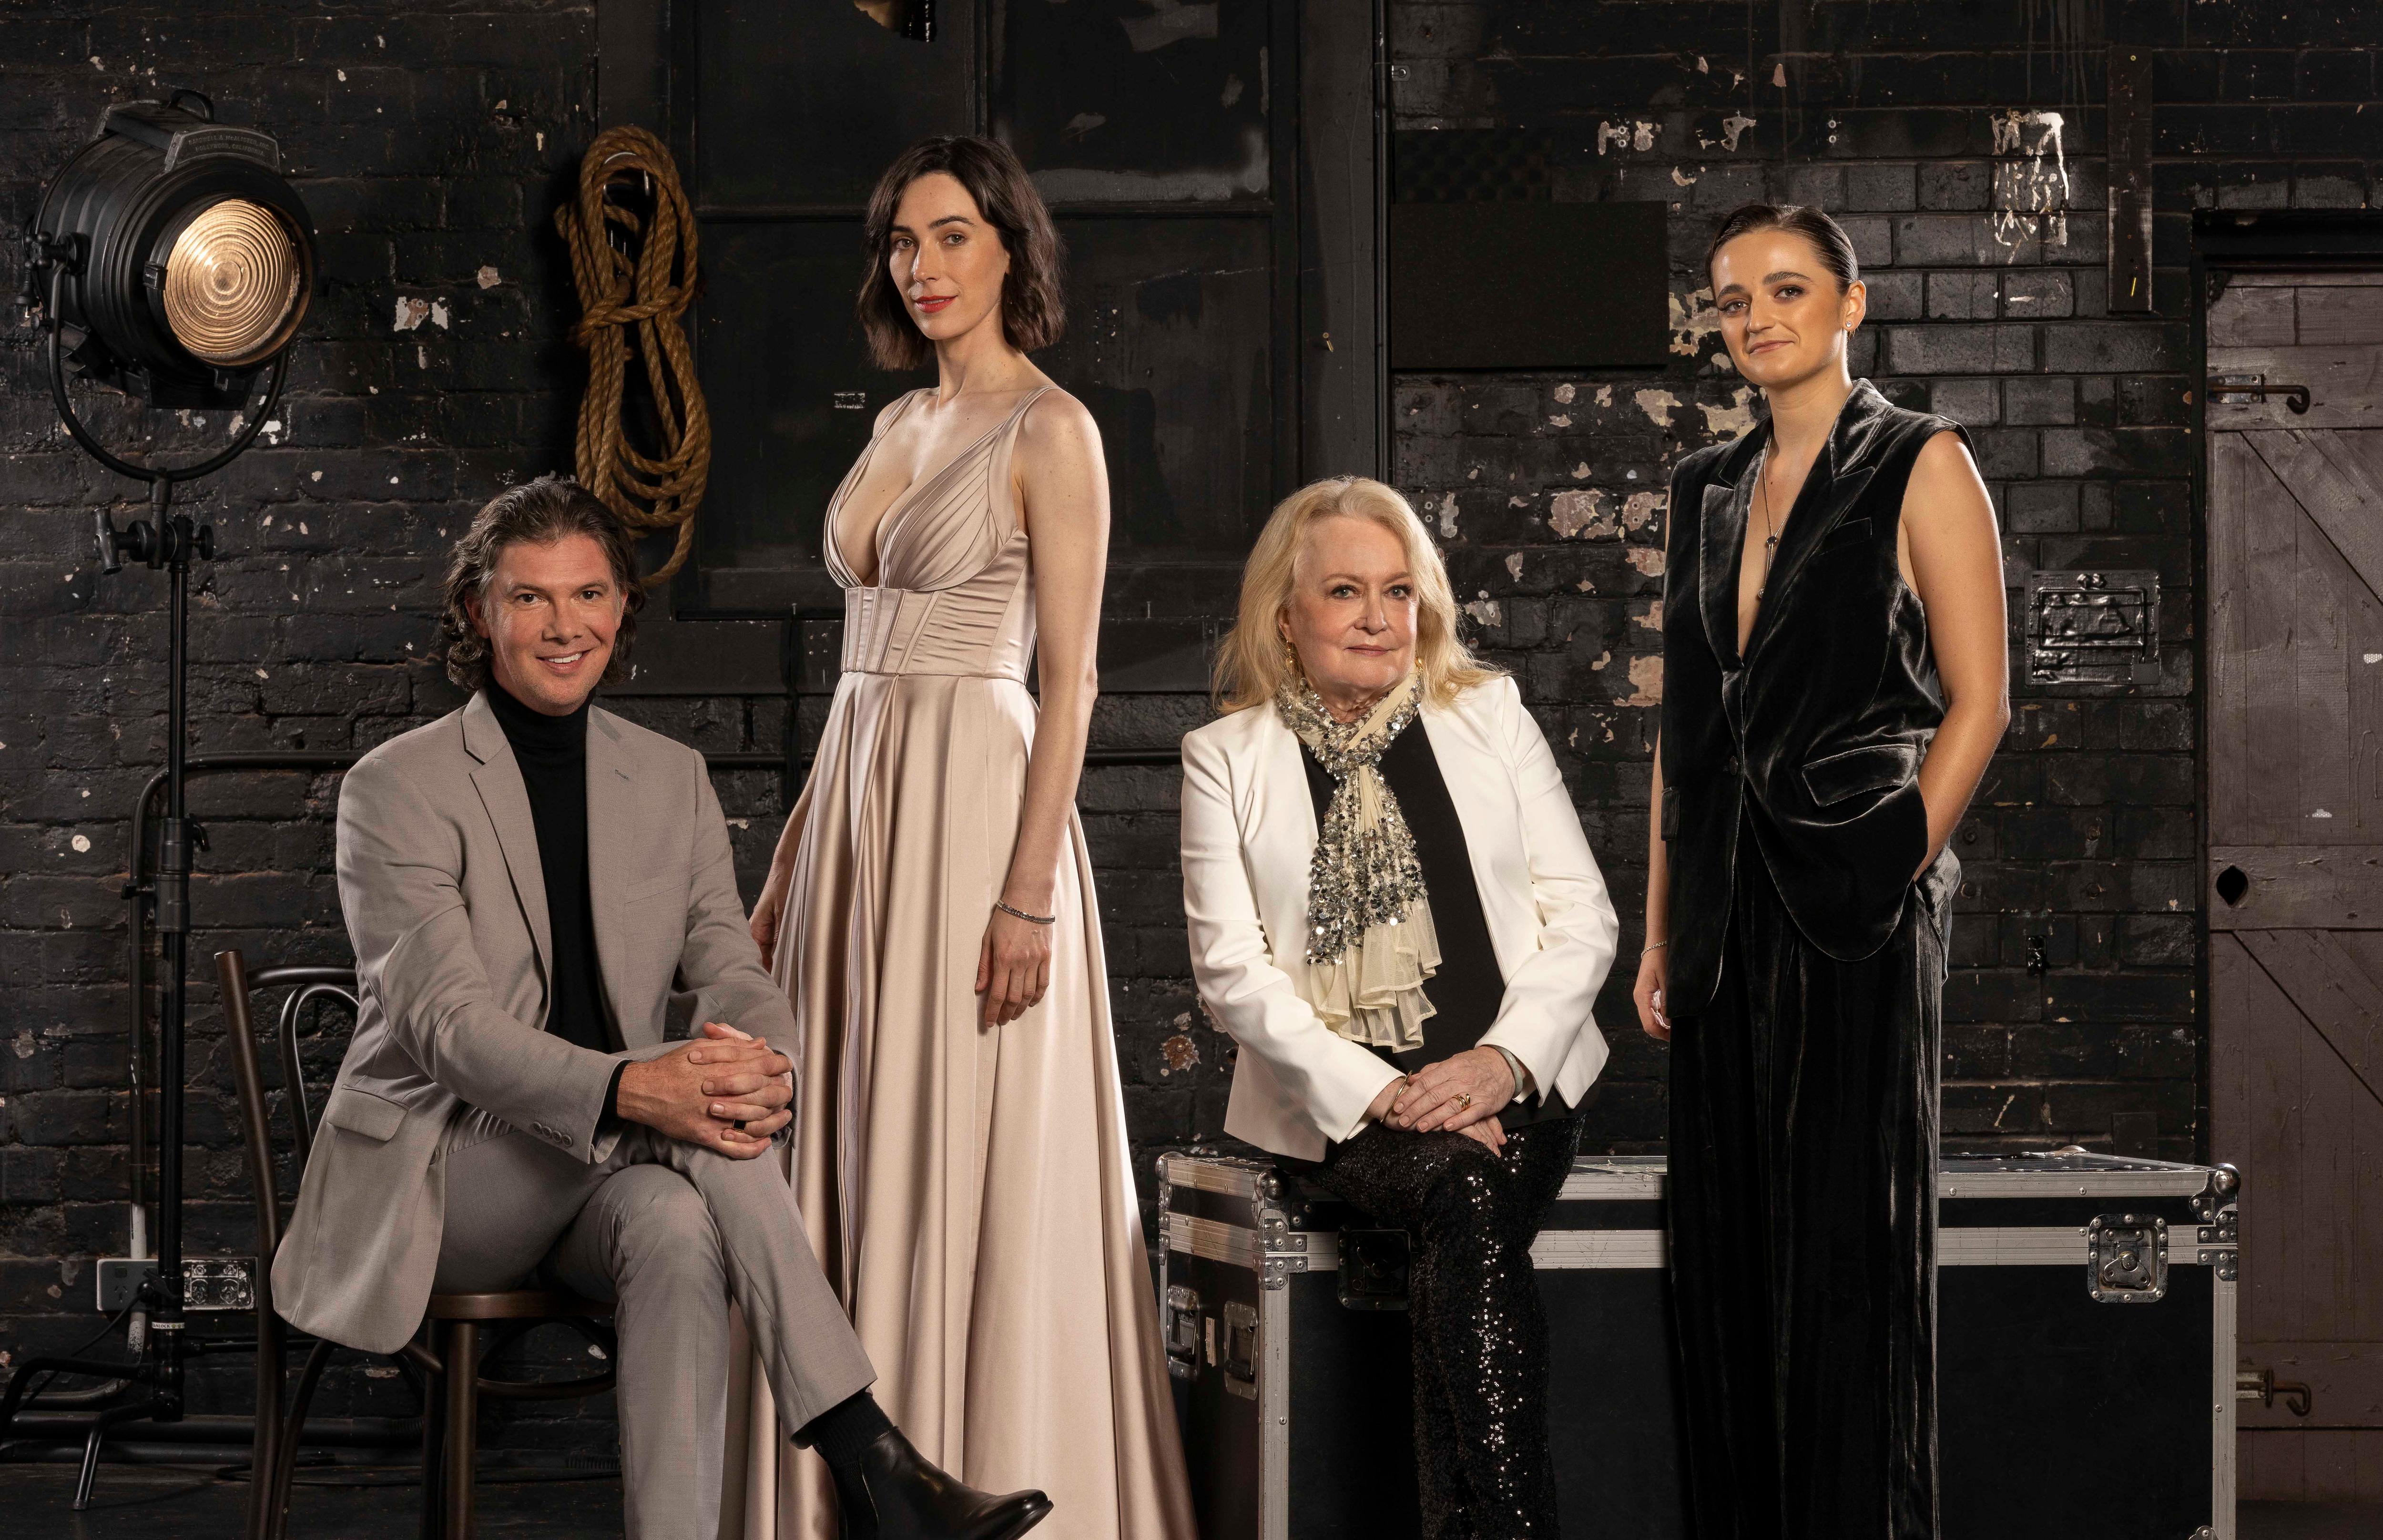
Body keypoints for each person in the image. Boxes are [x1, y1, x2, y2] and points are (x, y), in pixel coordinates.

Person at [275, 477, 1050, 1540]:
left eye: (589, 594)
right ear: (478, 611)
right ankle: (872, 1456)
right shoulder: (397, 787)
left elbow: (729, 960)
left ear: (620, 608)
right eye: (532, 597)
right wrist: (642, 1087)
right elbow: (447, 1027)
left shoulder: (671, 777)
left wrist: (762, 1057)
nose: (565, 625)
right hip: (447, 1178)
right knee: (689, 1135)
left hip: (616, 1174)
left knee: (681, 1221)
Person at [739, 137, 1195, 1539]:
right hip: (862, 813)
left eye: (950, 238)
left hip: (980, 813)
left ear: (1012, 251)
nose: (922, 268)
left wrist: (1028, 897)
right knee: (846, 1136)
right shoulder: (894, 430)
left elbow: (1077, 683)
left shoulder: (1054, 431)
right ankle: (866, 1481)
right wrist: (787, 862)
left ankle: (998, 1455)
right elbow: (860, 679)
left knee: (973, 1135)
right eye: (901, 244)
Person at [1637, 203, 2009, 1539]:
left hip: (1858, 901)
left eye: (1788, 290)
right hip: (1726, 911)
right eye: (1735, 299)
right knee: (1726, 1271)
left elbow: (1983, 700)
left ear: (1851, 305)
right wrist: (1660, 929)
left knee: (1848, 1263)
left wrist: (1901, 853)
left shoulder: (1920, 461)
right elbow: (1686, 732)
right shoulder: (1702, 487)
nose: (1757, 318)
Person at [1179, 476, 1619, 1537]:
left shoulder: (1488, 715)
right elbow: (1231, 973)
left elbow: (1585, 916)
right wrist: (1391, 1094)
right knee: (1461, 1197)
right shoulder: (1223, 758)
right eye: (1343, 591)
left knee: (1465, 1200)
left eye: (1397, 589)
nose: (1379, 616)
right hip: (1341, 1119)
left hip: (1516, 1092)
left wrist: (1499, 1065)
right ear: (1286, 616)